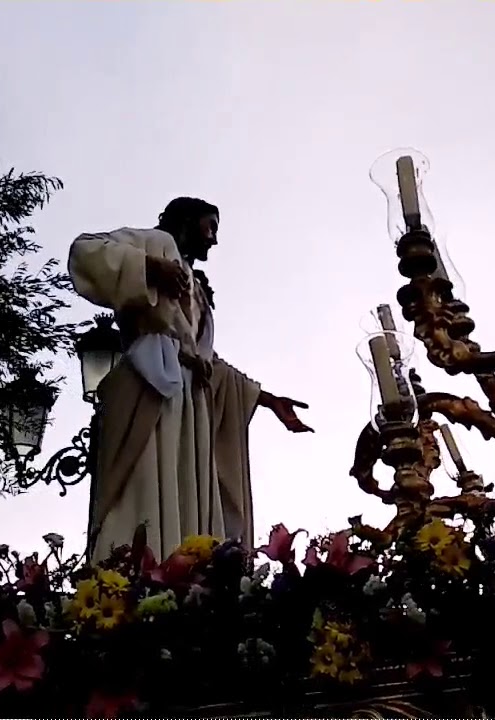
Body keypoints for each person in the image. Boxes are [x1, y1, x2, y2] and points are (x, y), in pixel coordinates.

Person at [68, 197, 312, 561]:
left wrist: (268, 399)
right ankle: (136, 571)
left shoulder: (197, 288)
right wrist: (149, 267)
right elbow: (84, 250)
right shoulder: (154, 244)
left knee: (187, 495)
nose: (213, 239)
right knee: (149, 483)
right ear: (185, 221)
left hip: (191, 402)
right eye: (209, 226)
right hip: (153, 385)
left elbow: (207, 361)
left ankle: (183, 573)